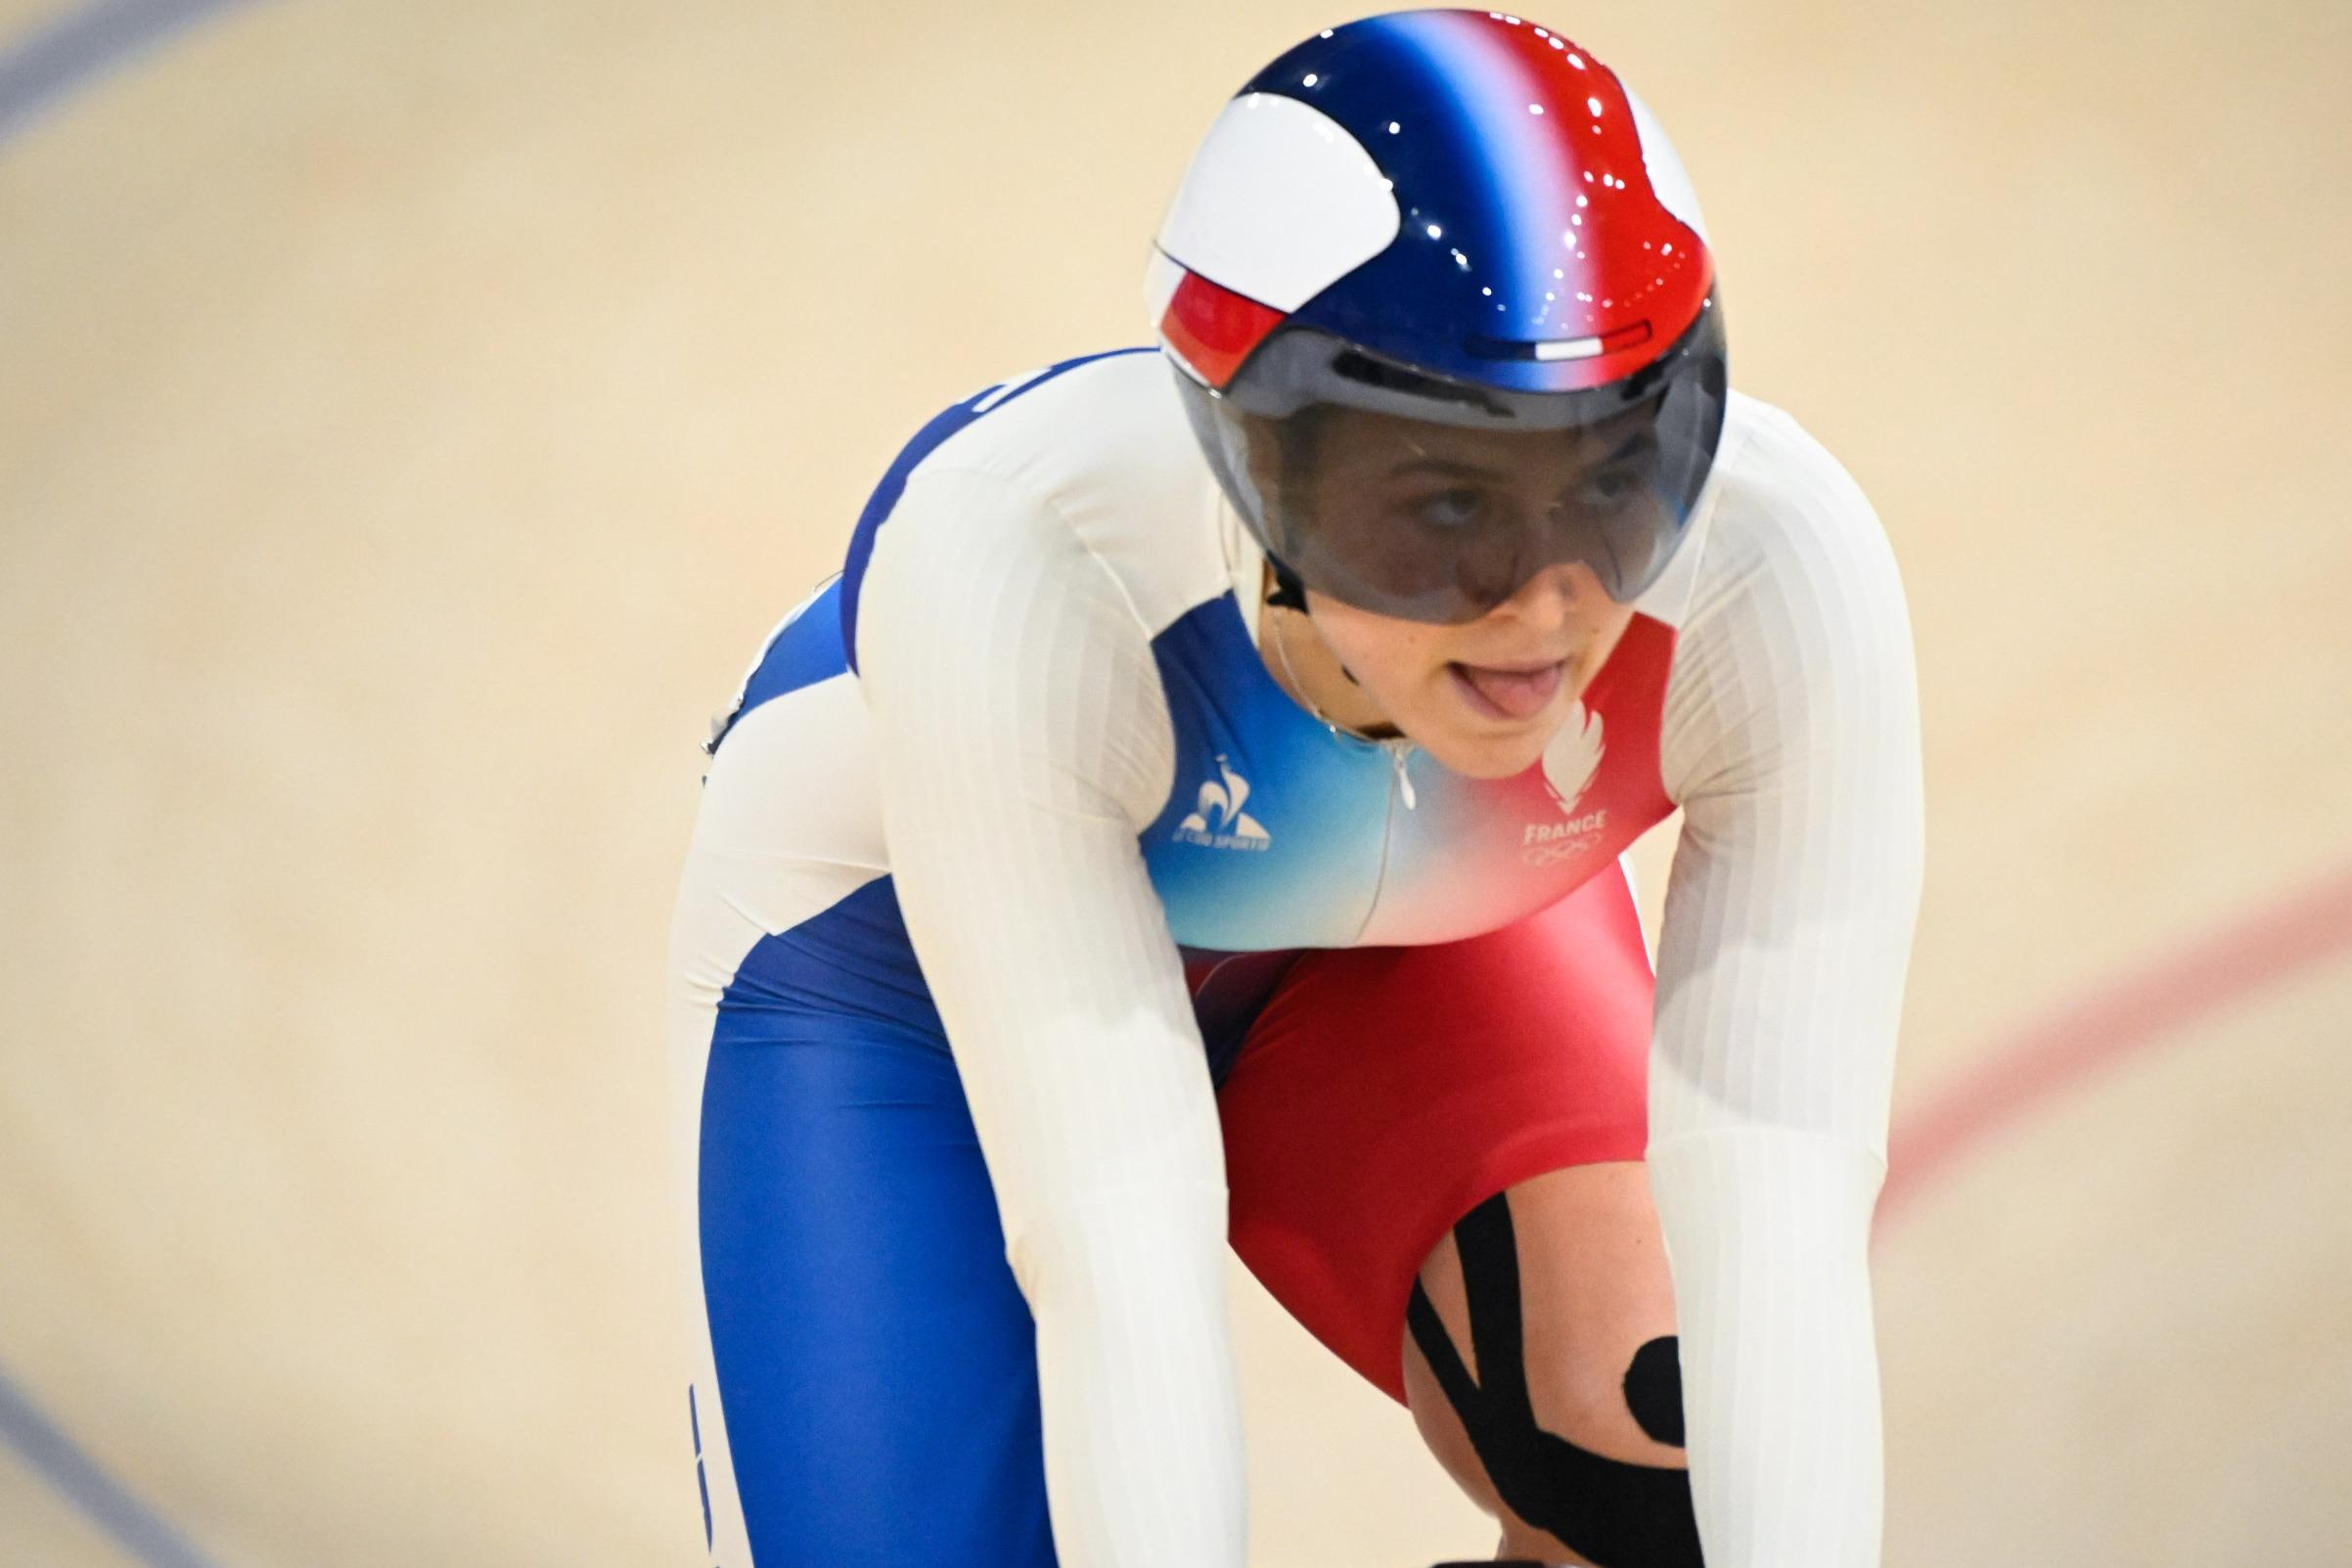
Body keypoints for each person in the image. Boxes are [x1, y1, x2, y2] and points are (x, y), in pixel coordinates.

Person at [665, 10, 1922, 1567]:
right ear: (1253, 468)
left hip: (1412, 946)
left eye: (1616, 477)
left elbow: (1777, 1213)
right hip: (895, 966)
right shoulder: (1012, 557)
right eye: (1446, 506)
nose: (1546, 608)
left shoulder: (1776, 573)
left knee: (1651, 1456)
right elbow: (1118, 1256)